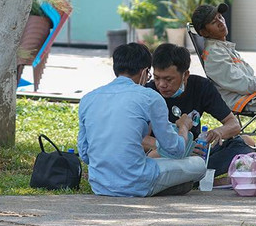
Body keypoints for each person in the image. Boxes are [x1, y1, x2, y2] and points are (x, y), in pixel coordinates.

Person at [77, 42, 207, 197]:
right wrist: (184, 127)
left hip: (100, 185)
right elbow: (176, 150)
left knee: (156, 163)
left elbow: (84, 154)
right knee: (199, 165)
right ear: (145, 71)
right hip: (137, 182)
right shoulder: (150, 97)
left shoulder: (88, 99)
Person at [145, 42, 256, 181]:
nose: (161, 85)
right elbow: (138, 139)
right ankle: (198, 177)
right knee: (155, 157)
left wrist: (218, 133)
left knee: (246, 143)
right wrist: (178, 148)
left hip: (196, 154)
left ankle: (195, 176)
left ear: (185, 75)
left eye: (168, 79)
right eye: (157, 78)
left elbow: (233, 125)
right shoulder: (147, 93)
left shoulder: (201, 87)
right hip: (162, 156)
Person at [190, 3, 256, 114]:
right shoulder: (214, 54)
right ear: (204, 32)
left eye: (220, 17)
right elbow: (244, 84)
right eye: (213, 22)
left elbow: (249, 76)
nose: (221, 23)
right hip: (248, 101)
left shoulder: (224, 48)